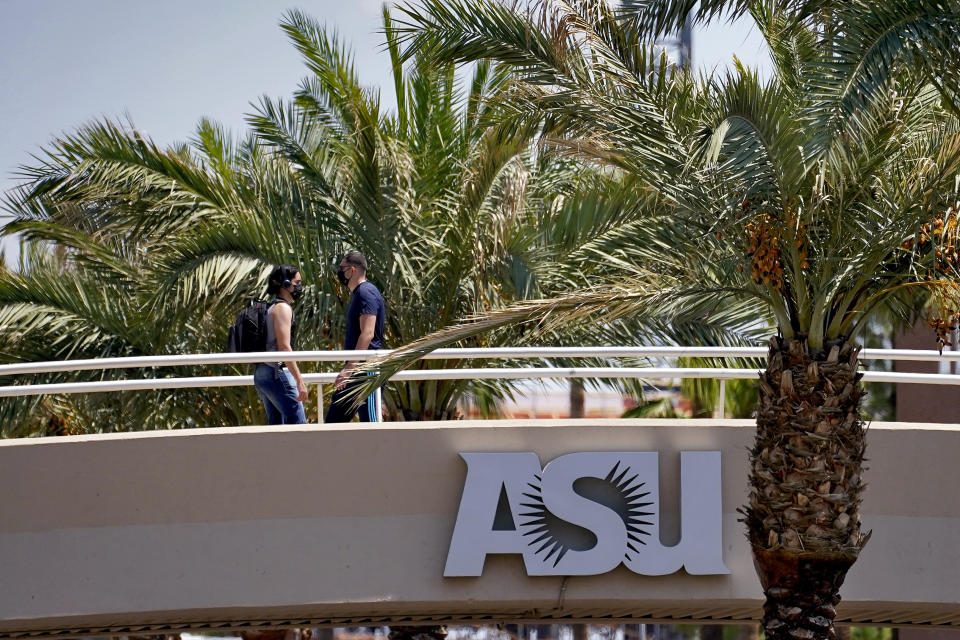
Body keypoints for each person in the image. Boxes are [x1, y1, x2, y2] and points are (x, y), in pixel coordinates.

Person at [325, 251, 386, 423]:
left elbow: (367, 333)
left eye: (341, 268)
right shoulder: (360, 293)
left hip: (366, 371)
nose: (339, 273)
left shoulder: (366, 293)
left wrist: (349, 369)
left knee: (371, 427)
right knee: (332, 426)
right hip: (356, 372)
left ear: (352, 270)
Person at [253, 264, 308, 424]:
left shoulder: (271, 307)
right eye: (297, 283)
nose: (300, 287)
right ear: (285, 284)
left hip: (262, 372)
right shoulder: (283, 308)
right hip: (276, 373)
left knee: (277, 430)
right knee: (298, 427)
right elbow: (284, 347)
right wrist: (299, 380)